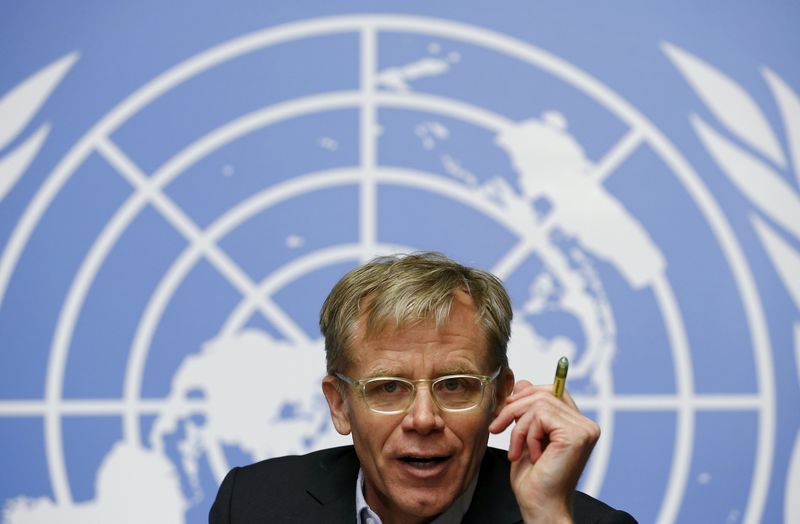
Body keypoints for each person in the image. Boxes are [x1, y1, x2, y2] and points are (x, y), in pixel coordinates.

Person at [209, 252, 636, 523]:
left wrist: (544, 514)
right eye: (388, 388)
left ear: (500, 397)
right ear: (339, 404)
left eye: (455, 386)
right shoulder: (251, 505)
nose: (424, 419)